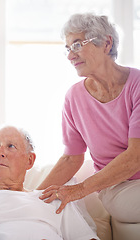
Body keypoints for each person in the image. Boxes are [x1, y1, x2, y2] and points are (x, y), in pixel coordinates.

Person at [37, 12, 140, 223]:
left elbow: (135, 156)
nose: (70, 55)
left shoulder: (137, 85)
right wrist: (33, 198)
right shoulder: (74, 97)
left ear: (106, 43)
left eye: (77, 44)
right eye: (67, 48)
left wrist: (78, 190)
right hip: (118, 187)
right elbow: (71, 158)